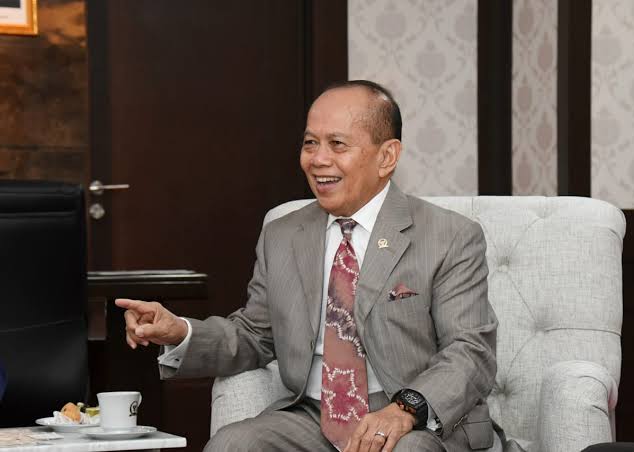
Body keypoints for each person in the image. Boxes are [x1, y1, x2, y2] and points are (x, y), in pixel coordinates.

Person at [117, 80, 510, 451]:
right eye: (310, 143)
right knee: (233, 444)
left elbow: (470, 350)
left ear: (387, 156)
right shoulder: (283, 234)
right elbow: (256, 335)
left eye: (337, 144)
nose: (318, 160)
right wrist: (180, 332)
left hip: (412, 419)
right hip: (314, 419)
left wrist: (404, 410)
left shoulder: (449, 236)